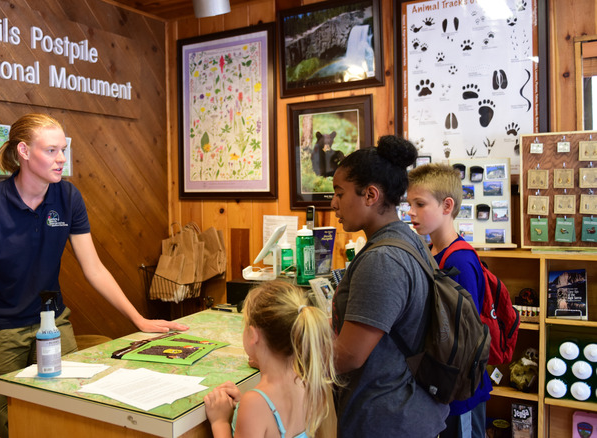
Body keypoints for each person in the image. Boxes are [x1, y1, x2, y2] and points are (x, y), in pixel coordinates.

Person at [0, 113, 188, 437]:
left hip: (52, 322)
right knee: (0, 426)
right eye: (51, 150)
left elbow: (94, 269)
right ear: (23, 151)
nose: (61, 158)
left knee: (70, 415)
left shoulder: (67, 197)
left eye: (63, 149)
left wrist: (139, 320)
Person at [330, 135, 449, 437]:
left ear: (370, 195)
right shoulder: (409, 240)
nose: (333, 204)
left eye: (339, 193)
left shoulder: (383, 259)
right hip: (410, 410)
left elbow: (347, 356)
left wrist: (285, 356)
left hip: (386, 419)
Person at [407, 163, 492, 438]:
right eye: (409, 204)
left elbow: (466, 337)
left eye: (419, 204)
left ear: (447, 206)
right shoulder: (431, 251)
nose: (410, 212)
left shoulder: (460, 260)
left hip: (459, 390)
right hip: (439, 384)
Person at [203, 280, 337, 438]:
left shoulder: (254, 404)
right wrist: (243, 408)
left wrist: (220, 422)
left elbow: (260, 412)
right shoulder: (308, 385)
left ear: (253, 335)